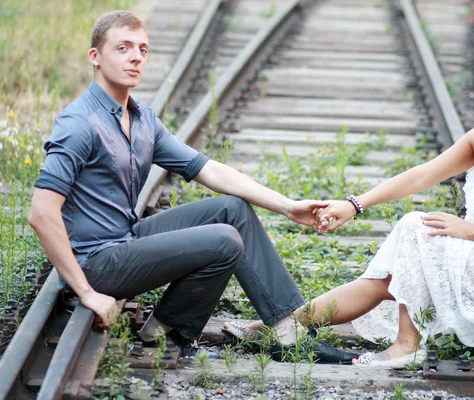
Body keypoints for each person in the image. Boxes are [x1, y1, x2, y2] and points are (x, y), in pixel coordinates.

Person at [28, 10, 357, 362]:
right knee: (224, 240)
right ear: (95, 56)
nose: (136, 57)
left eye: (142, 49)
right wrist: (86, 292)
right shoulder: (79, 124)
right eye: (123, 48)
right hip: (97, 263)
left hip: (125, 239)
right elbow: (42, 213)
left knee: (233, 211)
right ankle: (176, 328)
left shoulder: (141, 119)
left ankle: (283, 330)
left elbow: (209, 170)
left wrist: (288, 206)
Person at [232, 61, 474, 367]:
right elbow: (422, 175)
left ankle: (407, 346)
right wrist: (354, 204)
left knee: (416, 228)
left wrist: (469, 231)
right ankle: (278, 326)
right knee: (385, 280)